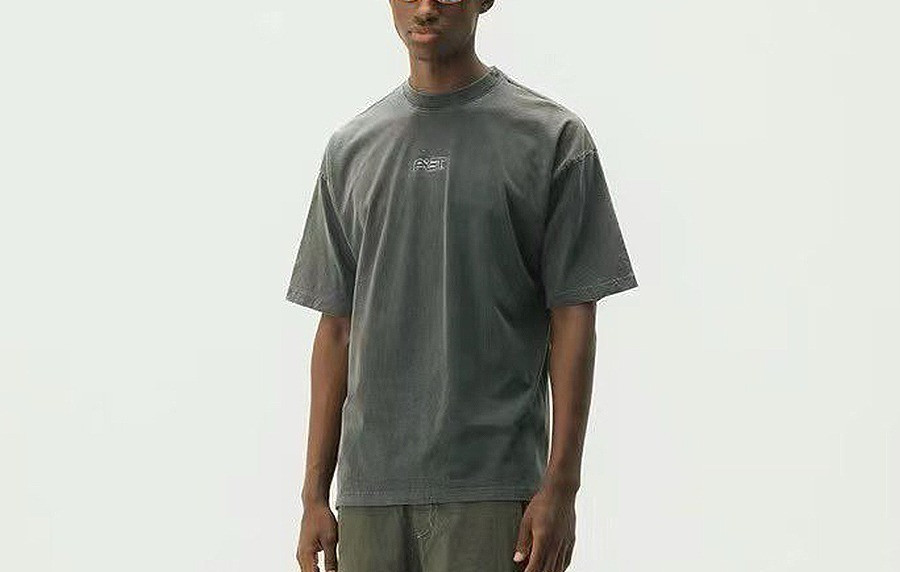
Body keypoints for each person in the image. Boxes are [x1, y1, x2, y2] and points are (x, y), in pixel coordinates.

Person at [285, 1, 638, 570]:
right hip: (369, 496)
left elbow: (574, 317)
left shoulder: (552, 140)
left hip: (493, 488)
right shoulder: (350, 151)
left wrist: (562, 487)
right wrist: (313, 498)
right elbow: (336, 330)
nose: (426, 7)